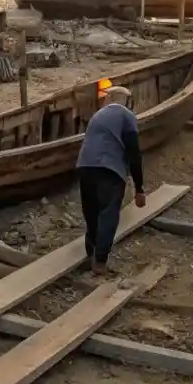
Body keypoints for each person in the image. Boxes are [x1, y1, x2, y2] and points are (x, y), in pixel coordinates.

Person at [75, 83, 146, 277]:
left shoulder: (97, 116)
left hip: (84, 165)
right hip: (110, 168)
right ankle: (100, 261)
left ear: (108, 100)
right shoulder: (126, 115)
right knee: (108, 213)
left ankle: (91, 254)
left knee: (91, 211)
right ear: (127, 102)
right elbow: (133, 151)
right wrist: (139, 187)